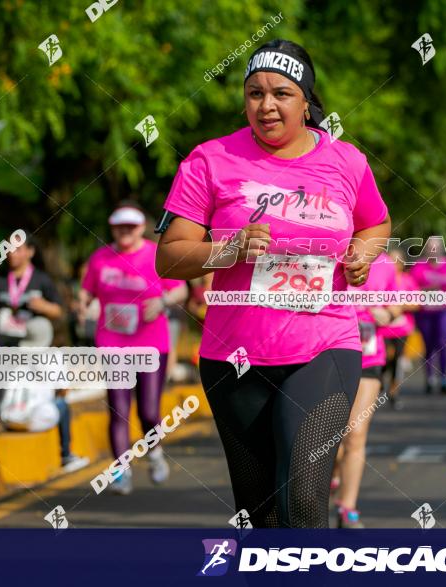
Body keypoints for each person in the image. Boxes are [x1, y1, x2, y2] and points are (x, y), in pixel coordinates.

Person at [155, 39, 390, 527]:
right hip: (234, 355)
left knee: (302, 500)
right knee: (258, 513)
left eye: (281, 93)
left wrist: (361, 256)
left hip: (325, 344)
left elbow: (376, 224)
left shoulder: (346, 161)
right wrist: (231, 248)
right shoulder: (209, 160)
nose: (266, 105)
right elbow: (170, 257)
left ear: (307, 101)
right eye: (255, 93)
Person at [79, 202, 187, 495]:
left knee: (149, 411)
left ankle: (153, 453)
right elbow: (87, 290)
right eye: (119, 226)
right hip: (113, 343)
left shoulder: (156, 255)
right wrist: (81, 303)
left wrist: (163, 302)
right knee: (119, 409)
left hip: (151, 342)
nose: (125, 232)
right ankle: (120, 472)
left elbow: (181, 288)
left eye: (131, 226)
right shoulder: (101, 258)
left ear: (141, 228)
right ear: (112, 228)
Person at [0, 235, 63, 448]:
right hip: (4, 347)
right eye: (8, 249)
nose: (11, 253)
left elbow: (59, 310)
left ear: (30, 252)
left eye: (17, 249)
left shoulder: (42, 280)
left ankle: (65, 449)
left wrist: (44, 306)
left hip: (34, 349)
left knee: (45, 396)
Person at [334, 252, 400, 528]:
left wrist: (388, 313)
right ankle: (334, 470)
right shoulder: (328, 253)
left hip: (369, 356)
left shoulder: (384, 264)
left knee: (355, 432)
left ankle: (347, 508)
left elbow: (397, 303)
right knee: (330, 435)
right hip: (329, 353)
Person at [409, 236, 446, 394]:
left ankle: (444, 378)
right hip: (425, 311)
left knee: (443, 341)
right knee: (428, 344)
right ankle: (430, 378)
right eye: (430, 247)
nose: (433, 250)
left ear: (441, 248)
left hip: (444, 310)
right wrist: (427, 290)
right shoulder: (419, 266)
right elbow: (411, 288)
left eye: (436, 247)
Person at [379, 249, 418, 409]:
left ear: (402, 265)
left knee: (398, 360)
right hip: (383, 328)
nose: (394, 264)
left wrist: (402, 306)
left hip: (402, 328)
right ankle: (380, 385)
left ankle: (394, 392)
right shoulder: (381, 279)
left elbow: (417, 303)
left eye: (397, 261)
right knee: (386, 356)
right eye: (391, 261)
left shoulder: (407, 281)